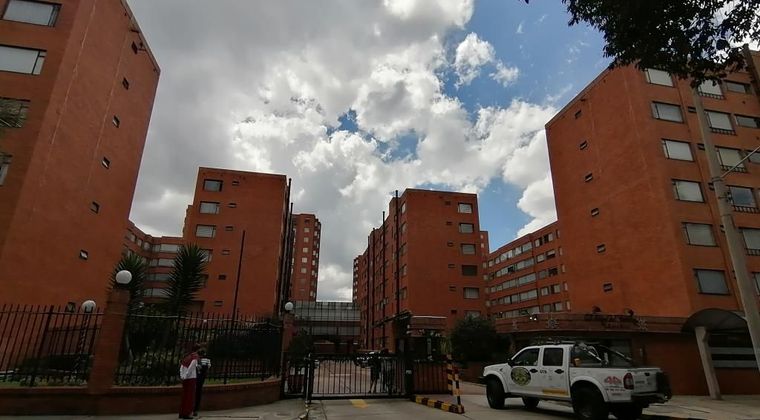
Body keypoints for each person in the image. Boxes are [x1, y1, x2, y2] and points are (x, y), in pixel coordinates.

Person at [178, 344, 200, 419]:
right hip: (191, 377)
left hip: (184, 378)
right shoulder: (195, 356)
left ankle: (181, 412)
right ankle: (187, 413)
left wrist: (182, 375)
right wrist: (187, 375)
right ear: (198, 350)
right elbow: (192, 366)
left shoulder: (187, 356)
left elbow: (182, 366)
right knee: (190, 396)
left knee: (184, 395)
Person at [193, 349, 211, 417]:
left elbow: (196, 367)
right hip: (201, 377)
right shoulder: (207, 360)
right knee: (198, 392)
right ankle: (196, 409)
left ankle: (193, 408)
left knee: (194, 392)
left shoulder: (196, 359)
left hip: (195, 376)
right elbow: (208, 366)